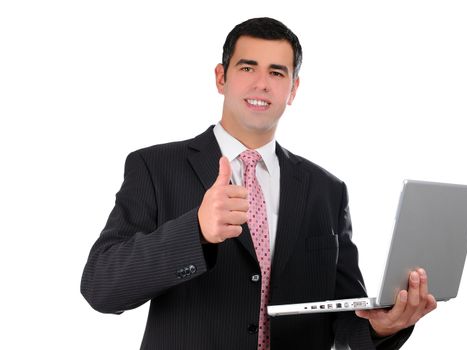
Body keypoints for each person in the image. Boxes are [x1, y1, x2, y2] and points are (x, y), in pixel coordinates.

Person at [81, 17, 436, 349]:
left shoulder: (326, 190)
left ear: (293, 88)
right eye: (247, 67)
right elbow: (101, 287)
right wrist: (196, 231)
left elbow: (342, 316)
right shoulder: (155, 167)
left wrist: (382, 327)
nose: (261, 84)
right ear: (221, 77)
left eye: (277, 73)